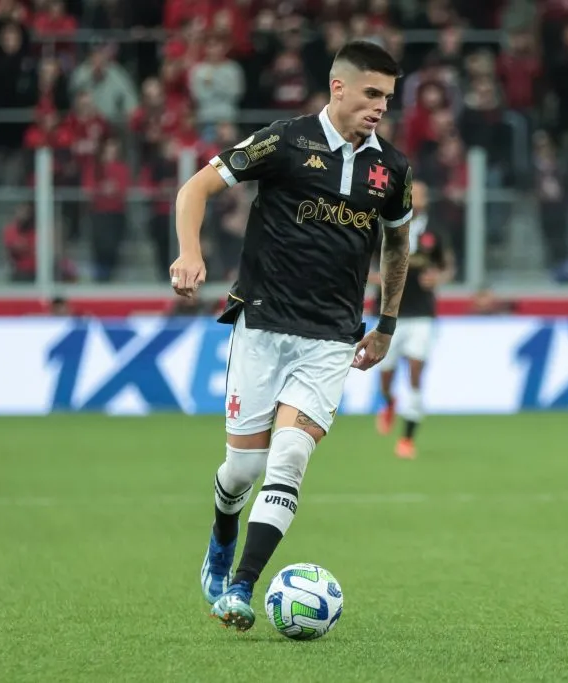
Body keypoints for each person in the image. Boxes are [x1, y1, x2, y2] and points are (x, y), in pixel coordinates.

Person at [170, 40, 413, 632]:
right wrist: (189, 254)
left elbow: (398, 245)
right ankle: (223, 530)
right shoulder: (284, 141)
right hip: (262, 326)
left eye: (388, 96)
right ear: (339, 87)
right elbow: (195, 188)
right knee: (241, 473)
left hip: (330, 338)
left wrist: (385, 325)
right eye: (371, 93)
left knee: (292, 456)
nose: (380, 106)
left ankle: (241, 589)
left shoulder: (392, 170)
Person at [373, 180, 454, 459]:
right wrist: (375, 278)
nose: (419, 198)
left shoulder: (434, 231)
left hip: (422, 314)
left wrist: (439, 278)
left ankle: (407, 439)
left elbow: (448, 266)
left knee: (416, 374)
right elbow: (364, 261)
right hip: (388, 313)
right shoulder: (385, 224)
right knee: (385, 378)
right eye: (415, 193)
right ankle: (389, 402)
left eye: (423, 194)